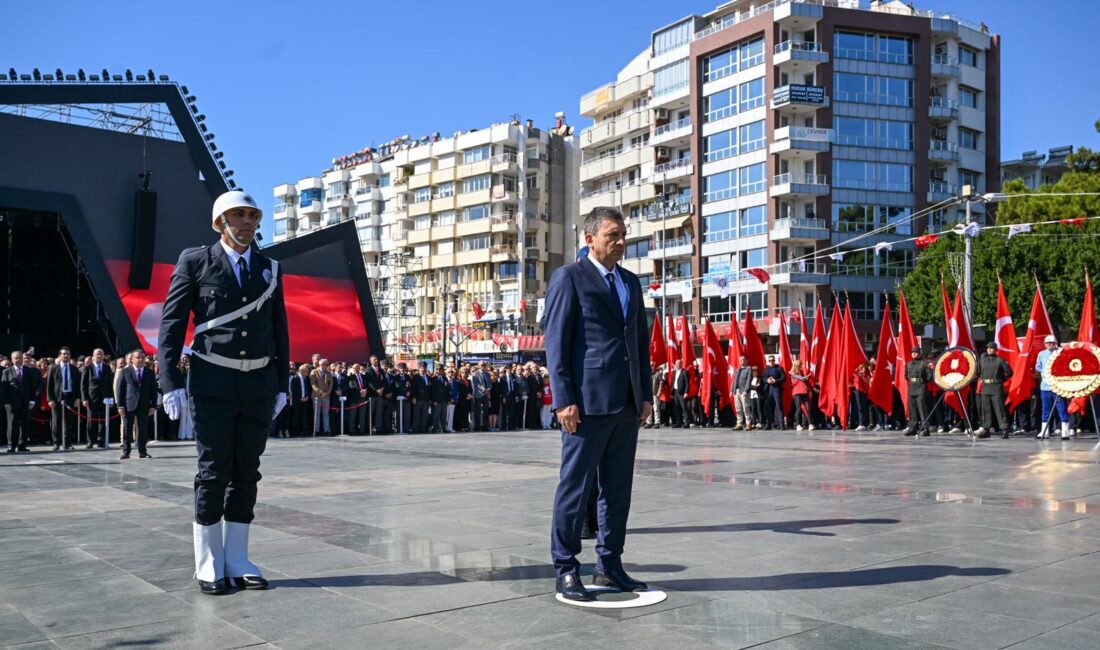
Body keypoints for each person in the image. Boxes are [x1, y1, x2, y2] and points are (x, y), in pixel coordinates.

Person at [157, 190, 290, 596]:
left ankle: (238, 559)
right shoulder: (195, 261)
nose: (246, 222)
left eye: (251, 215)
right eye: (237, 216)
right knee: (214, 473)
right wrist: (170, 382)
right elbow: (173, 324)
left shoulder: (270, 268)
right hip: (212, 384)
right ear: (220, 223)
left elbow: (279, 330)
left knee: (246, 472)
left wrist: (281, 383)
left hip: (257, 386)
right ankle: (209, 563)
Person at [541, 206, 652, 602]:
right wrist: (564, 400)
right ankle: (566, 568)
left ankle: (610, 565)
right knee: (576, 487)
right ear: (589, 239)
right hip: (584, 406)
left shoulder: (630, 283)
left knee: (618, 489)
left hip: (624, 403)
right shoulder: (569, 278)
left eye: (624, 235)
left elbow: (639, 344)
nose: (621, 242)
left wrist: (645, 396)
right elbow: (555, 342)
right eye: (613, 235)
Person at [116, 349, 156, 459]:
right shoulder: (125, 371)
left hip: (144, 404)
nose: (140, 360)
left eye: (142, 357)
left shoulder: (149, 372)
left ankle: (142, 451)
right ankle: (126, 451)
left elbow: (153, 390)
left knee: (142, 429)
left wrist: (153, 406)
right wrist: (120, 405)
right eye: (138, 357)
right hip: (129, 404)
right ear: (132, 359)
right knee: (127, 429)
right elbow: (120, 390)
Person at [974, 341, 1013, 439]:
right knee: (986, 409)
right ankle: (986, 429)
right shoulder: (982, 360)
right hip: (985, 387)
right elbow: (977, 372)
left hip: (996, 387)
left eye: (991, 348)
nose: (989, 350)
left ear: (995, 350)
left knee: (999, 409)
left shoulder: (1000, 360)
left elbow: (1009, 372)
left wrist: (1001, 380)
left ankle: (1004, 429)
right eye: (988, 348)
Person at [1035, 334, 1071, 440]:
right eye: (1047, 343)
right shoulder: (1041, 354)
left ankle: (1065, 431)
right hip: (1045, 386)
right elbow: (1038, 367)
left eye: (1051, 343)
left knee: (1061, 408)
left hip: (1058, 386)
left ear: (1055, 343)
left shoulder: (1061, 352)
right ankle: (1044, 431)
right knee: (1046, 409)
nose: (1049, 345)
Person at [46, 347, 80, 451]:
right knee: (56, 421)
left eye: (68, 354)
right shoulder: (53, 368)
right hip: (57, 398)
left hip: (69, 396)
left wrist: (77, 398)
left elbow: (77, 385)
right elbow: (49, 385)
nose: (66, 356)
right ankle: (56, 443)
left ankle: (67, 443)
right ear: (60, 355)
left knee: (68, 422)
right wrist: (50, 399)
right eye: (64, 354)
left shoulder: (74, 369)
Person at [3, 350, 37, 452]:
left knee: (25, 425)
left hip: (26, 403)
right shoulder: (7, 371)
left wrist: (32, 401)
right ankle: (11, 445)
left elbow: (33, 387)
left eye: (21, 358)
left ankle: (22, 445)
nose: (19, 360)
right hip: (12, 403)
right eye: (17, 358)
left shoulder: (29, 371)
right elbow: (4, 389)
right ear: (12, 359)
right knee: (12, 425)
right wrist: (6, 402)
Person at [79, 348, 114, 448]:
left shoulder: (107, 368)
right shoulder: (88, 368)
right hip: (91, 398)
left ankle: (101, 440)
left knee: (103, 420)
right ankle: (90, 440)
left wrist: (111, 398)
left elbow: (109, 384)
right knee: (91, 420)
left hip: (104, 398)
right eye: (97, 354)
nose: (99, 356)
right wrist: (84, 398)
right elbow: (83, 385)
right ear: (93, 356)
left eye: (101, 354)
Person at [904, 348, 933, 436]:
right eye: (912, 353)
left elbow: (929, 376)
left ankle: (925, 428)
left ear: (919, 354)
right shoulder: (908, 364)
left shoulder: (924, 363)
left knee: (922, 409)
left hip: (921, 387)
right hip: (912, 387)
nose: (913, 354)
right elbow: (906, 376)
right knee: (912, 409)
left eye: (915, 353)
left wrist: (922, 382)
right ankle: (913, 427)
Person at [310, 359, 333, 436]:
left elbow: (331, 384)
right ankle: (316, 430)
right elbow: (313, 384)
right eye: (325, 364)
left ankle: (326, 430)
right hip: (317, 396)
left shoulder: (328, 373)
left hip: (326, 396)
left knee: (326, 414)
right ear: (321, 365)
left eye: (327, 364)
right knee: (317, 413)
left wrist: (327, 392)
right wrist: (320, 392)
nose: (327, 366)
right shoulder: (314, 372)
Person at [763, 355, 786, 430]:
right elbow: (763, 378)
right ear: (768, 361)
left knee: (779, 406)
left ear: (774, 360)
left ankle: (782, 424)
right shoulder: (766, 369)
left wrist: (776, 380)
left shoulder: (779, 368)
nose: (771, 362)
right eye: (770, 360)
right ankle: (769, 424)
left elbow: (784, 378)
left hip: (776, 389)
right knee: (769, 408)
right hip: (769, 390)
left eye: (772, 360)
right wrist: (767, 380)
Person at [790, 360, 813, 431]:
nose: (799, 365)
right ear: (794, 365)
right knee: (798, 409)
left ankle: (810, 424)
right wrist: (809, 375)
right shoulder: (792, 373)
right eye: (797, 364)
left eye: (799, 364)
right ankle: (798, 424)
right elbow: (801, 378)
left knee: (808, 408)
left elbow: (806, 382)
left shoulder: (802, 372)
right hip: (797, 392)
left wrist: (809, 390)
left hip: (804, 391)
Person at [732, 356, 753, 430]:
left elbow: (749, 380)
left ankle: (748, 423)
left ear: (746, 360)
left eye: (743, 360)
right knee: (738, 408)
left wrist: (746, 390)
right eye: (740, 360)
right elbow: (734, 380)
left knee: (746, 407)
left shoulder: (748, 369)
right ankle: (739, 423)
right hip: (737, 391)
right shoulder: (737, 369)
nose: (741, 361)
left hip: (744, 391)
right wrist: (732, 390)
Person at [672, 359, 690, 428]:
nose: (676, 365)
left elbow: (687, 383)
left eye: (678, 364)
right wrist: (672, 392)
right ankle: (679, 422)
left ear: (681, 364)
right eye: (676, 364)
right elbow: (673, 382)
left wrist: (686, 392)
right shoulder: (675, 372)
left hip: (682, 393)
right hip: (676, 392)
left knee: (684, 408)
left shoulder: (684, 372)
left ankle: (687, 423)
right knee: (677, 408)